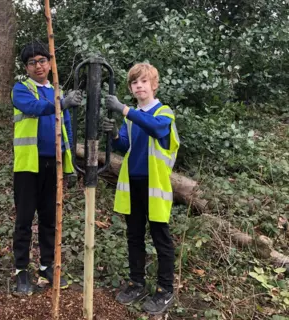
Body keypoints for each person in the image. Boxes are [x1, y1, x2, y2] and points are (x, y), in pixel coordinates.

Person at [102, 62, 180, 315]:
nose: (139, 85)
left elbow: (157, 129)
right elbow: (126, 146)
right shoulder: (133, 117)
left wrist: (124, 110)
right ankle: (137, 283)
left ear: (153, 85)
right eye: (134, 82)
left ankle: (165, 290)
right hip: (132, 184)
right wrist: (115, 135)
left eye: (143, 81)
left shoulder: (164, 113)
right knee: (134, 236)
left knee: (161, 238)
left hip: (155, 185)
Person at [11, 40, 83, 295]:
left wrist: (70, 165)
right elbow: (32, 108)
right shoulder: (22, 89)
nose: (38, 66)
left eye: (42, 60)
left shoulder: (57, 91)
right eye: (32, 62)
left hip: (54, 165)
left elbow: (66, 130)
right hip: (28, 167)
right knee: (23, 219)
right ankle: (21, 271)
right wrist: (60, 104)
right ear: (26, 67)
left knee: (50, 219)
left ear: (50, 63)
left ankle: (46, 266)